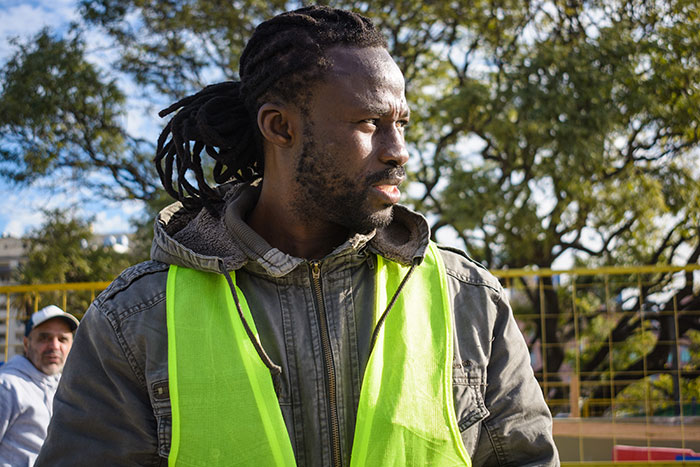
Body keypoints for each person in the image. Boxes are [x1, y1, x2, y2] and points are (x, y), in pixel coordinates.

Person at [38, 6, 559, 466]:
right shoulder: (135, 321)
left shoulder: (469, 303)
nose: (399, 150)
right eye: (369, 122)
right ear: (280, 127)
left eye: (402, 122)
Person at [0, 305, 78, 466]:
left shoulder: (70, 388)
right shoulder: (7, 386)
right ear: (26, 344)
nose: (55, 346)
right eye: (44, 338)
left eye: (62, 339)